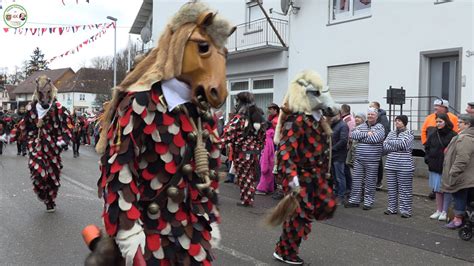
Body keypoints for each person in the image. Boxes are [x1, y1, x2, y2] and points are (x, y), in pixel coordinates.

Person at [269, 70, 337, 265]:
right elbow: (285, 151)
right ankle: (285, 252)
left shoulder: (319, 121)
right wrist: (291, 177)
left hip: (316, 176)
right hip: (299, 176)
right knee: (299, 216)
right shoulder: (297, 121)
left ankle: (284, 248)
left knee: (325, 207)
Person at [12, 75, 72, 212]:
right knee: (37, 170)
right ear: (37, 92)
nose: (44, 96)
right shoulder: (31, 109)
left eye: (47, 93)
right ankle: (42, 193)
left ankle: (50, 201)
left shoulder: (59, 108)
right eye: (41, 93)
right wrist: (10, 136)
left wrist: (63, 140)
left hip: (53, 148)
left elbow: (68, 126)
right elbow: (23, 126)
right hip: (36, 145)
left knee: (52, 176)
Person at [222, 91, 266, 207]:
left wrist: (218, 144)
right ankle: (248, 198)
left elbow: (229, 133)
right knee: (250, 176)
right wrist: (258, 146)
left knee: (244, 176)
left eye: (237, 101)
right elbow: (263, 135)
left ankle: (246, 200)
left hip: (242, 152)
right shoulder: (257, 117)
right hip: (254, 153)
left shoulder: (240, 118)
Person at [345, 107, 385, 210]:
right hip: (359, 159)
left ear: (376, 116)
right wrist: (366, 134)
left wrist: (361, 137)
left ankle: (368, 202)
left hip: (372, 160)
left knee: (370, 182)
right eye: (369, 114)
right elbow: (353, 135)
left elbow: (376, 138)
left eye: (372, 114)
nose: (370, 116)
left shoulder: (380, 127)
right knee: (357, 181)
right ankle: (354, 201)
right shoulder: (362, 126)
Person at [441, 114, 474, 229]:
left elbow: (463, 157)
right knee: (465, 197)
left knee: (459, 195)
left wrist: (454, 171)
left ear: (468, 124)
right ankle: (466, 220)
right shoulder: (464, 136)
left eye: (460, 122)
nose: (457, 124)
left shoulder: (465, 138)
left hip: (462, 175)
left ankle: (458, 220)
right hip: (466, 175)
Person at [424, 113, 457, 220]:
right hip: (434, 165)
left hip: (446, 166)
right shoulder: (433, 133)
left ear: (446, 122)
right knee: (437, 189)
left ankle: (445, 211)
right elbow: (427, 147)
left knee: (445, 189)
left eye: (440, 122)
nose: (438, 124)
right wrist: (427, 159)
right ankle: (438, 210)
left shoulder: (452, 135)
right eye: (437, 121)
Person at [383, 115, 415, 218]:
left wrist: (390, 142)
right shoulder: (391, 133)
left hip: (404, 166)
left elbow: (404, 144)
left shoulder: (409, 133)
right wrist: (395, 144)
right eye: (396, 120)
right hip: (390, 165)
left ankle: (406, 210)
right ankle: (392, 209)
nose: (397, 122)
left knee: (405, 189)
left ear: (405, 122)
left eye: (399, 121)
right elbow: (384, 145)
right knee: (392, 189)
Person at [369, 101, 390, 190]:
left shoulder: (382, 117)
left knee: (378, 162)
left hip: (378, 143)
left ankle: (379, 181)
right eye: (369, 106)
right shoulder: (370, 116)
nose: (370, 108)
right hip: (370, 142)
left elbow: (385, 129)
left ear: (377, 108)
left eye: (372, 107)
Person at [330, 107, 349, 204]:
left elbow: (343, 140)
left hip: (339, 155)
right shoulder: (333, 125)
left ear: (339, 115)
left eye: (334, 115)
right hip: (332, 155)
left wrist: (333, 148)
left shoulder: (343, 125)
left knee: (340, 176)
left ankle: (341, 196)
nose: (332, 117)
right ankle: (336, 193)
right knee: (334, 176)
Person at [256, 118, 276, 195]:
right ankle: (269, 189)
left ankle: (262, 189)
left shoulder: (267, 137)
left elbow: (266, 152)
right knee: (269, 176)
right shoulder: (271, 136)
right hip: (271, 160)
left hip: (266, 160)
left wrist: (264, 163)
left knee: (265, 175)